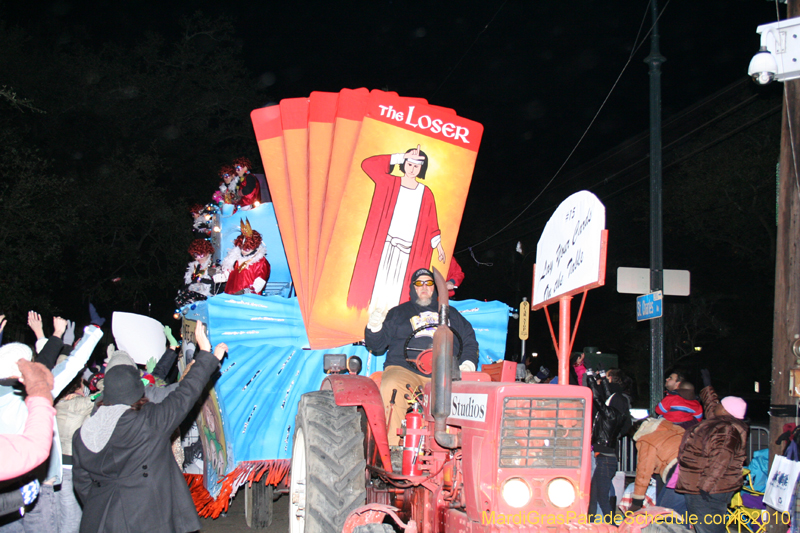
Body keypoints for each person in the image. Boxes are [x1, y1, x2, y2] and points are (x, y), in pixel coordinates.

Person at [72, 321, 227, 533]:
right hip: (147, 516)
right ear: (137, 390)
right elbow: (185, 394)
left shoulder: (81, 434)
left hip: (101, 518)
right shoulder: (147, 421)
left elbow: (82, 484)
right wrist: (207, 354)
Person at [364, 268, 478, 450]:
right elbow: (377, 346)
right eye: (419, 283)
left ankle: (460, 451)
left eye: (429, 283)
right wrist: (375, 326)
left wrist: (468, 364)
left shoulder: (452, 314)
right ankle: (393, 450)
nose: (424, 287)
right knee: (392, 384)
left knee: (472, 394)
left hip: (445, 374)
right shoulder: (398, 313)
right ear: (413, 288)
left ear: (435, 288)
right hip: (405, 370)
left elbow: (469, 340)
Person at [348, 146, 446, 312]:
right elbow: (368, 165)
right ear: (404, 163)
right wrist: (400, 156)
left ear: (422, 168)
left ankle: (391, 323)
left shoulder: (425, 193)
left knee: (396, 290)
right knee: (376, 285)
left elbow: (432, 224)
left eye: (417, 166)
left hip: (406, 253)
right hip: (384, 247)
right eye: (409, 163)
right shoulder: (389, 182)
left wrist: (439, 246)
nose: (412, 168)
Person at [675, 370, 748, 533]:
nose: (718, 406)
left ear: (727, 411)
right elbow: (711, 406)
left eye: (721, 404)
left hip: (709, 489)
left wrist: (705, 487)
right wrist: (707, 386)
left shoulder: (726, 429)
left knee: (709, 529)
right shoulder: (719, 423)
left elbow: (721, 459)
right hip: (702, 486)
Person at [587, 368, 632, 519]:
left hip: (605, 455)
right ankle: (596, 522)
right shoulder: (615, 401)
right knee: (597, 493)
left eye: (606, 377)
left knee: (601, 496)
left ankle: (609, 525)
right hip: (605, 453)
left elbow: (600, 402)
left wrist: (591, 380)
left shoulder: (616, 403)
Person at [628, 418, 686, 514]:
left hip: (678, 472)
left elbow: (644, 472)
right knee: (683, 512)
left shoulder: (646, 439)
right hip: (699, 468)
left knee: (665, 513)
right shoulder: (675, 428)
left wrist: (636, 502)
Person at [221, 219, 270, 295]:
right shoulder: (235, 257)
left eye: (247, 249)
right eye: (241, 248)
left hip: (249, 300)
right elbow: (227, 275)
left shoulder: (262, 263)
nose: (243, 251)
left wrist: (245, 292)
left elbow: (259, 284)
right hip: (230, 296)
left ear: (254, 247)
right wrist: (213, 277)